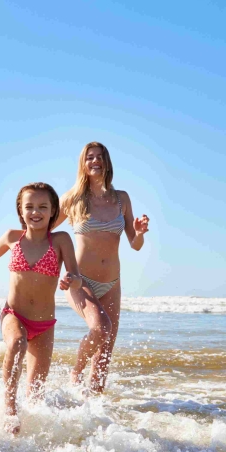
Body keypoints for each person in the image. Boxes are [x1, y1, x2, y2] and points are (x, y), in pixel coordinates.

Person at [0, 183, 81, 434]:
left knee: (36, 393)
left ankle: (27, 443)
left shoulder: (61, 240)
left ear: (53, 211)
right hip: (13, 314)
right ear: (21, 210)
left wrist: (71, 279)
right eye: (29, 207)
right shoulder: (12, 237)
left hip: (44, 325)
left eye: (43, 207)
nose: (35, 212)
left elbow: (77, 275)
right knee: (17, 342)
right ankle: (9, 410)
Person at [56, 142, 149, 393]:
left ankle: (96, 416)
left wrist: (139, 233)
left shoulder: (122, 199)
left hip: (112, 283)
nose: (95, 161)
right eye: (90, 157)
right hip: (79, 280)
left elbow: (135, 244)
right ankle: (76, 371)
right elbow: (43, 229)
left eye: (100, 157)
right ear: (83, 164)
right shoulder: (72, 198)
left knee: (104, 355)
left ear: (107, 162)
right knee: (100, 328)